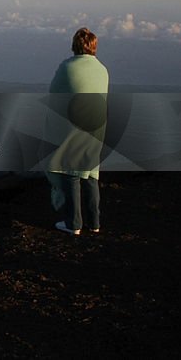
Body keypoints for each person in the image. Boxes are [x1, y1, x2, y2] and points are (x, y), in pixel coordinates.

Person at [46, 27, 109, 236]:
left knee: (70, 171)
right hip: (97, 126)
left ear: (75, 45)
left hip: (74, 125)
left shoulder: (66, 67)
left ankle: (73, 224)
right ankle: (95, 222)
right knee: (90, 173)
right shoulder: (102, 69)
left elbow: (54, 94)